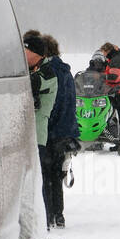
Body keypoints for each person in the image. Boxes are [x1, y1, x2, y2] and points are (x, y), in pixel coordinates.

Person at [27, 30, 80, 228]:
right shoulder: (65, 70)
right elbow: (70, 102)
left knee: (46, 175)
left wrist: (48, 128)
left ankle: (49, 215)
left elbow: (53, 104)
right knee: (56, 175)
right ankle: (59, 214)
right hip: (65, 130)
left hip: (52, 130)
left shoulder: (50, 72)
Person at [24, 33, 59, 227]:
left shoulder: (48, 73)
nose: (21, 54)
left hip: (37, 136)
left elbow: (32, 83)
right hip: (22, 136)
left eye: (26, 50)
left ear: (36, 54)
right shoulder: (32, 69)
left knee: (39, 180)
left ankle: (44, 221)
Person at [100, 41, 120, 154]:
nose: (103, 55)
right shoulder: (118, 57)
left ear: (107, 50)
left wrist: (101, 76)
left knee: (115, 114)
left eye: (104, 52)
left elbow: (114, 77)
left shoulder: (116, 60)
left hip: (117, 90)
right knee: (118, 114)